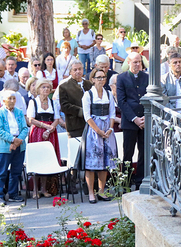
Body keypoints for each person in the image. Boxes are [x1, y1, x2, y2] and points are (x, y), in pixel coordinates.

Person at [82, 67, 117, 204]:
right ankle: (91, 192)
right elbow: (87, 116)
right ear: (93, 79)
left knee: (105, 162)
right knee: (92, 164)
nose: (101, 80)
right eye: (98, 77)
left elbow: (112, 113)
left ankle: (101, 191)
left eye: (103, 77)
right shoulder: (88, 95)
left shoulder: (108, 94)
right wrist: (98, 131)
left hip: (107, 129)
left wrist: (110, 129)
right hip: (93, 131)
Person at [117, 52, 148, 191]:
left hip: (145, 121)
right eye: (135, 62)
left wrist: (145, 117)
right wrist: (135, 119)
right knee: (128, 153)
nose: (137, 64)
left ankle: (140, 182)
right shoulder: (121, 78)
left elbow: (150, 97)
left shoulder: (146, 77)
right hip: (130, 122)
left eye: (139, 62)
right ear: (128, 62)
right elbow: (121, 101)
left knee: (143, 152)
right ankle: (126, 183)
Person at [26, 80, 61, 197]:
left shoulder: (53, 102)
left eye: (48, 87)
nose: (46, 89)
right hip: (37, 132)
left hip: (51, 132)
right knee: (37, 159)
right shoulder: (33, 102)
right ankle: (35, 189)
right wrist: (45, 126)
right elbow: (31, 119)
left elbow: (57, 119)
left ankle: (44, 188)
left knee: (47, 159)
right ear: (38, 89)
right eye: (43, 87)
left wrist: (50, 129)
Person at [0, 91, 29, 206]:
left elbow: (25, 128)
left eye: (14, 98)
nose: (12, 101)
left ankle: (13, 194)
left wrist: (18, 141)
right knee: (1, 172)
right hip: (5, 146)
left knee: (16, 171)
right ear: (4, 100)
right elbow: (0, 131)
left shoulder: (19, 112)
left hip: (20, 145)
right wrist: (13, 140)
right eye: (10, 98)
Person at [57, 60, 90, 143]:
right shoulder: (64, 87)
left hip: (91, 125)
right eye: (75, 70)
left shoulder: (89, 84)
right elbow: (64, 106)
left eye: (80, 69)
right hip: (75, 126)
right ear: (70, 72)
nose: (78, 71)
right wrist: (81, 111)